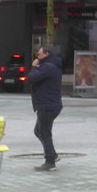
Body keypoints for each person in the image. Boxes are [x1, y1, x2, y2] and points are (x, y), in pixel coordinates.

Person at [30, 42, 64, 170]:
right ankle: (53, 155)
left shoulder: (48, 67)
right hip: (50, 104)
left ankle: (50, 162)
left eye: (39, 54)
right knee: (38, 131)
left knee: (44, 133)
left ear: (46, 54)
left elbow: (32, 78)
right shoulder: (52, 65)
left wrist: (34, 67)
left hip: (47, 104)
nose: (37, 56)